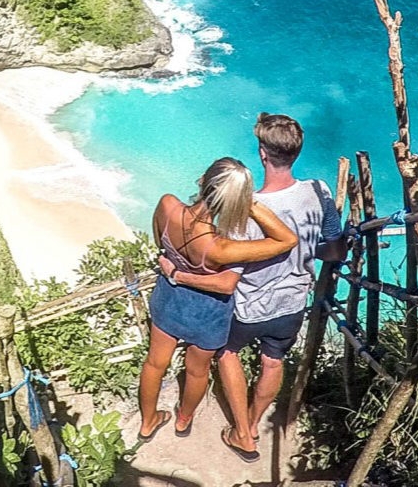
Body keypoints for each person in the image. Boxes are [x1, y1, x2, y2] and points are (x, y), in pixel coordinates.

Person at [160, 113, 344, 459]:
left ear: (262, 153)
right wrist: (303, 253)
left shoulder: (244, 210)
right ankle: (255, 424)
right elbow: (333, 249)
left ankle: (242, 432)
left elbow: (226, 272)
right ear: (297, 152)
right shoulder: (319, 191)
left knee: (227, 352)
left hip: (249, 304)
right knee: (272, 363)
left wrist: (179, 274)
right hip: (292, 302)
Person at [138, 157, 298, 444]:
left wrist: (177, 270)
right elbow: (286, 240)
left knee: (154, 364)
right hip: (207, 313)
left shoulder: (167, 205)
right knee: (197, 371)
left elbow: (159, 244)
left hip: (169, 299)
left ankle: (148, 422)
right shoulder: (221, 248)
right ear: (235, 201)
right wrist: (249, 204)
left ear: (202, 180)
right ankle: (183, 420)